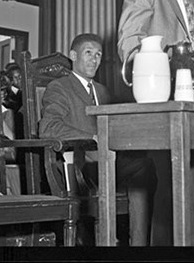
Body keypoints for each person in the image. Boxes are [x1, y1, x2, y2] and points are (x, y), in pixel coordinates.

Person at [39, 33, 158, 246]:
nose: (94, 59)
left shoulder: (103, 91)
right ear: (73, 55)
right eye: (88, 53)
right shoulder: (60, 87)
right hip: (80, 165)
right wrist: (92, 137)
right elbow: (48, 127)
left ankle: (139, 246)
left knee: (145, 165)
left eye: (98, 54)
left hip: (107, 162)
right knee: (140, 167)